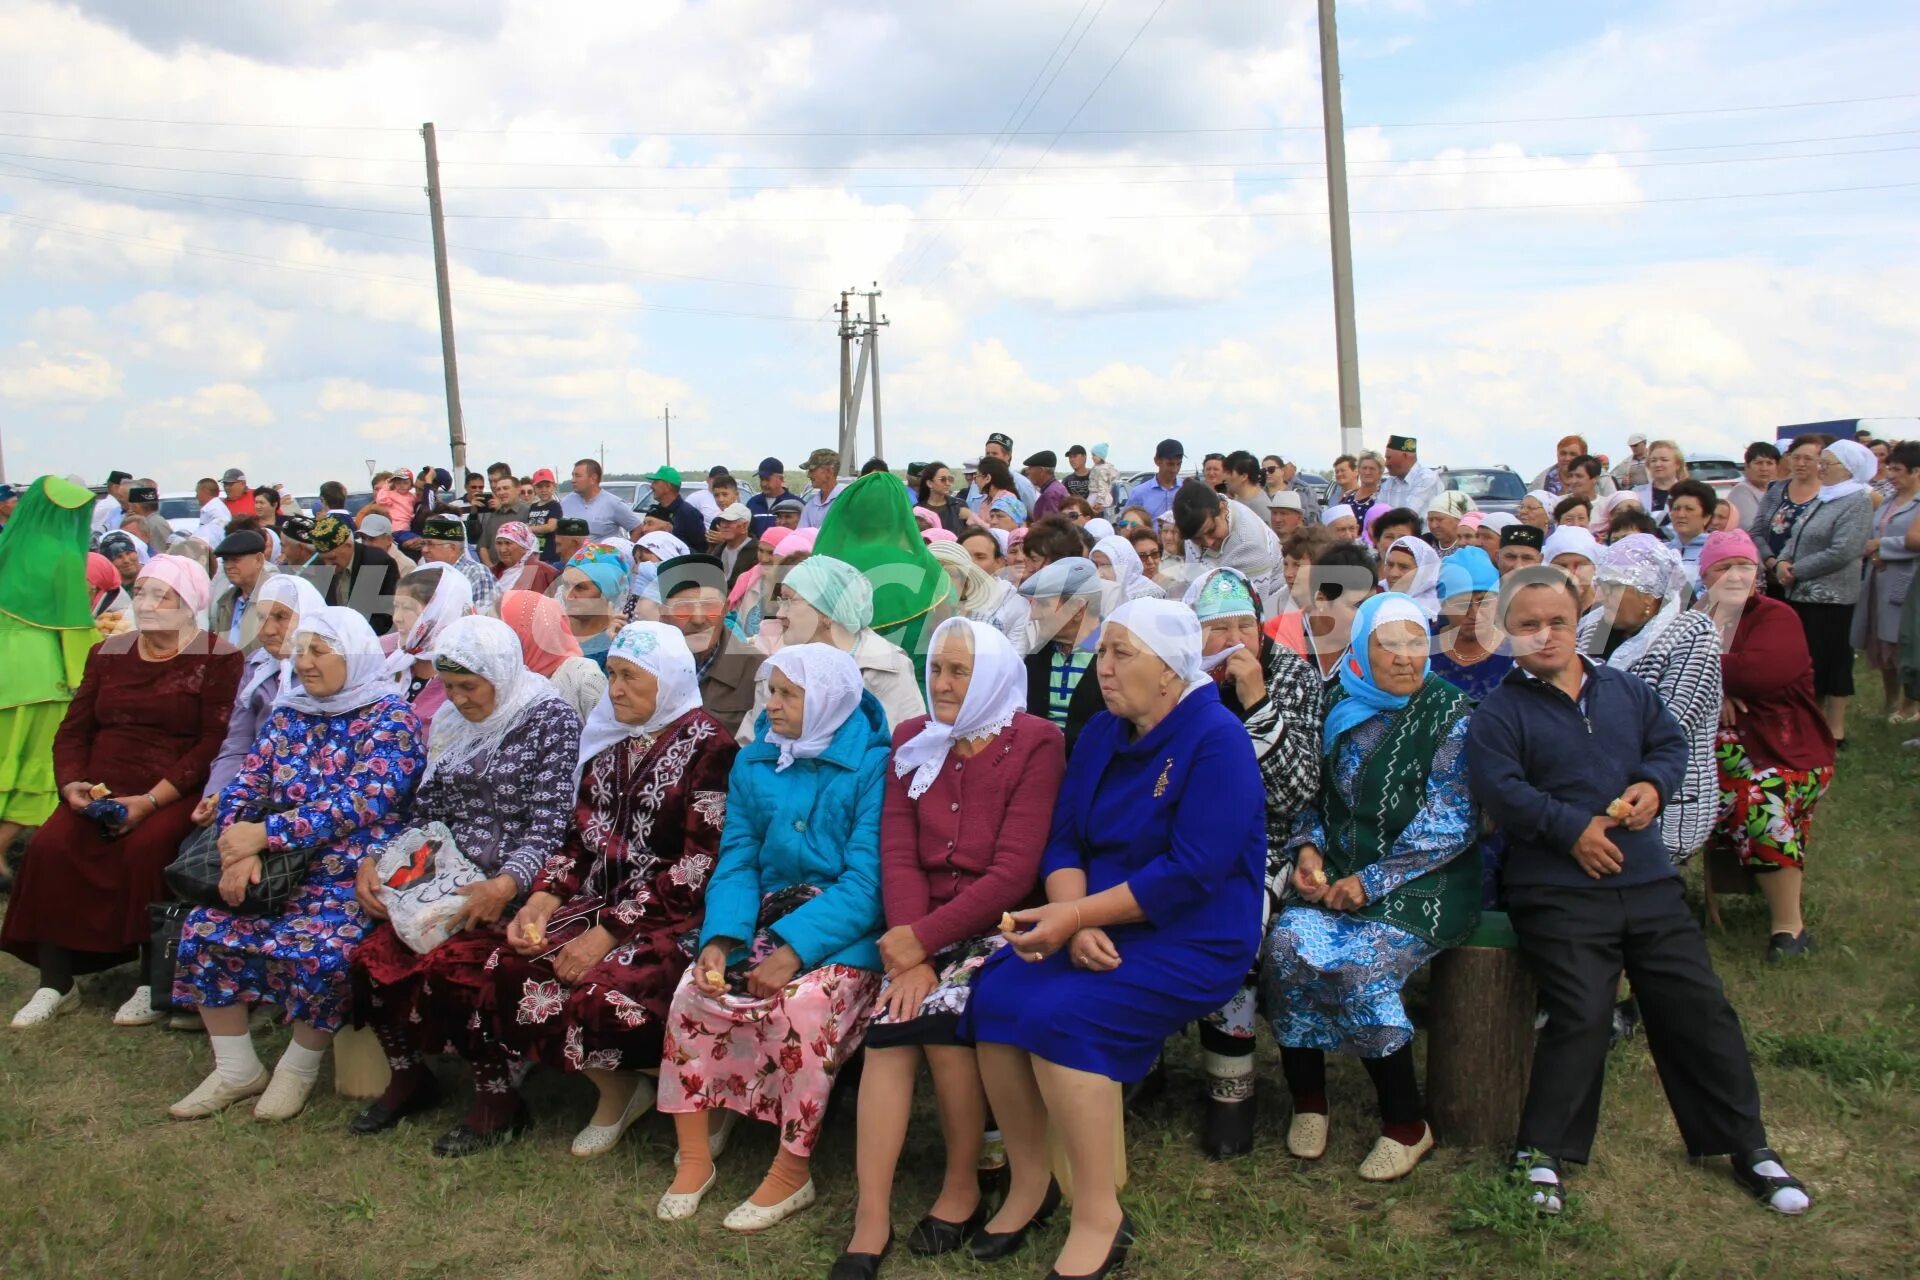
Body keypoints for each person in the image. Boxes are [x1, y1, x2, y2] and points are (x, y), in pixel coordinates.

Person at [1468, 567, 1811, 1219]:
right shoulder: (1500, 711)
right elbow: (1499, 787)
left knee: (1699, 1006)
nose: (1545, 636)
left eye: (1558, 622)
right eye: (1528, 625)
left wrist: (1653, 786)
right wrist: (1570, 830)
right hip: (1558, 889)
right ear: (1506, 633)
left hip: (1647, 879)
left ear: (1579, 622)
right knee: (1582, 1011)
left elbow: (1670, 744)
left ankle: (1744, 1143)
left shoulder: (1625, 691)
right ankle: (1540, 1151)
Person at [963, 599, 1265, 1279]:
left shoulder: (1217, 738)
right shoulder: (1103, 731)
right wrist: (1075, 915)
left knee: (1062, 1016)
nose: (1103, 667)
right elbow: (1065, 836)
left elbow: (1192, 872)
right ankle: (1031, 1182)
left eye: (1121, 654)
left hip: (1192, 935)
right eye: (1102, 652)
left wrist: (1076, 919)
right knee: (994, 996)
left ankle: (1100, 1212)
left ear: (1169, 670)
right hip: (1097, 919)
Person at [352, 619, 698, 1158]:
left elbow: (690, 865)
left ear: (669, 679)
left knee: (501, 970)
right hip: (548, 891)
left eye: (631, 677)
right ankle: (418, 1078)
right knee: (392, 955)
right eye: (613, 676)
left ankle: (538, 1095)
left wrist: (532, 896)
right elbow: (576, 837)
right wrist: (539, 900)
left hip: (656, 909)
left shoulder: (701, 749)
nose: (616, 690)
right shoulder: (609, 734)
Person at [831, 619, 1066, 1278]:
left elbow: (1014, 873)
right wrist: (911, 947)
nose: (943, 684)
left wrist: (923, 946)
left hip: (999, 922)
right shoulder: (913, 738)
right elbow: (898, 851)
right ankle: (871, 1216)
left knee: (937, 1022)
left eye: (960, 671)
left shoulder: (1035, 744)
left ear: (990, 674)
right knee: (893, 1025)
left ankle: (962, 1185)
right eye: (937, 669)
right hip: (920, 925)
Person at [655, 644, 890, 1230]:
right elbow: (737, 859)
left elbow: (868, 882)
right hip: (760, 916)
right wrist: (721, 937)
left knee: (805, 1006)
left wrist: (793, 951)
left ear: (829, 700)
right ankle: (694, 1157)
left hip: (842, 930)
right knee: (694, 990)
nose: (772, 705)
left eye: (789, 693)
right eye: (771, 691)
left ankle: (792, 1172)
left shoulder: (872, 765)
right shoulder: (757, 760)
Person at [166, 606, 424, 1120]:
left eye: (319, 650)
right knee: (203, 927)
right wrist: (235, 850)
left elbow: (363, 800)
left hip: (348, 866)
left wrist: (267, 834)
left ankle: (297, 1069)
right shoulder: (291, 712)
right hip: (267, 864)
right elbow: (247, 781)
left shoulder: (392, 719)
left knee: (325, 951)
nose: (304, 662)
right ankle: (237, 1067)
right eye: (301, 650)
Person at [1262, 592, 1477, 1180]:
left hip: (1424, 880)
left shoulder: (1452, 714)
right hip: (1338, 873)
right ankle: (1309, 1101)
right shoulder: (1341, 701)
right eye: (1390, 644)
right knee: (1285, 947)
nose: (1407, 658)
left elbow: (1451, 823)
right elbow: (1314, 796)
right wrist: (1307, 849)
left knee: (1359, 962)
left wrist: (1369, 882)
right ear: (1362, 649)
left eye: (1416, 642)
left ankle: (1407, 1124)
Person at [4, 555, 242, 1027]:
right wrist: (72, 784)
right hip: (100, 784)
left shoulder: (220, 657)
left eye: (162, 595)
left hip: (171, 787)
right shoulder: (108, 652)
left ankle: (152, 980)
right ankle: (57, 983)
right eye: (143, 592)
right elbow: (73, 730)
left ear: (190, 604)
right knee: (49, 848)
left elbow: (212, 742)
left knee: (148, 850)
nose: (147, 603)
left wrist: (152, 800)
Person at [1183, 569, 1323, 1159]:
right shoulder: (1178, 678)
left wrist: (1256, 699)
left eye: (1246, 624)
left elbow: (1294, 790)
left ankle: (1230, 1090)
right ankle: (1129, 1065)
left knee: (1231, 931)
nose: (1235, 637)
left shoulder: (1291, 675)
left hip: (1264, 842)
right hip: (1181, 835)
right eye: (1218, 627)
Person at [1693, 531, 1835, 961]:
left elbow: (1762, 673)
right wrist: (1719, 690)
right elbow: (1664, 668)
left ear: (1758, 574)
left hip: (1785, 750)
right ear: (1706, 575)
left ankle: (1789, 926)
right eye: (1723, 567)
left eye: (1744, 566)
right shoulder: (1696, 618)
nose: (1734, 575)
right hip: (1711, 753)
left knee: (1759, 800)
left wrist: (1709, 676)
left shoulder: (1777, 617)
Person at [1579, 535, 1721, 863]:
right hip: (1587, 774)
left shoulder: (1692, 633)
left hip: (1662, 788)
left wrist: (1584, 731)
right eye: (1604, 585)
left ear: (1648, 596)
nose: (1605, 596)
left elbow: (1672, 722)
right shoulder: (1592, 628)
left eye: (1616, 588)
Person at [0, 477, 107, 887]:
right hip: (40, 675)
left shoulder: (11, 545)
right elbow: (73, 624)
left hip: (6, 670)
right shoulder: (64, 555)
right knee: (42, 768)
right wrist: (93, 668)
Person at [190, 575, 330, 854]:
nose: (267, 630)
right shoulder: (257, 669)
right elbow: (238, 744)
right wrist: (218, 792)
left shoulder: (328, 673)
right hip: (250, 793)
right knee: (196, 852)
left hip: (307, 804)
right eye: (261, 617)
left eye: (281, 617)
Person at [1762, 438, 1875, 746]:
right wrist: (1782, 562)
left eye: (1827, 464)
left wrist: (1796, 570)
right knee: (1807, 660)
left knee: (1832, 660)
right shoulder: (1824, 497)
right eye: (1820, 462)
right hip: (1800, 592)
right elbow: (1796, 536)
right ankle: (1808, 722)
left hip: (1831, 596)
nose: (1820, 468)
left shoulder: (1857, 500)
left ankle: (1835, 730)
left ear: (1849, 469)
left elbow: (1843, 550)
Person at [741, 555, 926, 741]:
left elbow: (905, 749)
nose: (780, 614)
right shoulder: (779, 667)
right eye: (781, 601)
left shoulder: (884, 667)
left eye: (790, 600)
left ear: (828, 612)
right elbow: (751, 741)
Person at [814, 472, 954, 658]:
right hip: (911, 679)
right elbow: (944, 633)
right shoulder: (926, 568)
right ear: (902, 511)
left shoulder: (826, 567)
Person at [656, 555, 762, 737]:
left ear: (726, 608)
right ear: (663, 614)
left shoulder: (757, 670)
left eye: (709, 607)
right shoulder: (643, 665)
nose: (698, 619)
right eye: (684, 608)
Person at [1853, 440, 1920, 720]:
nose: (1891, 474)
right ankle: (1891, 700)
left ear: (1917, 471)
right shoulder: (1890, 500)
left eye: (1898, 469)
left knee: (1904, 643)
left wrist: (1882, 545)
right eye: (1889, 468)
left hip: (1908, 581)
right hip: (1879, 580)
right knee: (1882, 642)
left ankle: (1910, 705)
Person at [1018, 557, 1109, 750]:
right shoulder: (1035, 656)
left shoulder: (1115, 655)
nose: (1033, 614)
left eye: (1042, 604)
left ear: (1077, 608)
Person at [1175, 480, 1282, 607]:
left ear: (1222, 508)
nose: (1208, 543)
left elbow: (1249, 610)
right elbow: (1192, 584)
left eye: (1211, 530)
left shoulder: (1249, 543)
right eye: (1197, 539)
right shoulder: (1196, 521)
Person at [1430, 548, 1515, 700]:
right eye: (1462, 604)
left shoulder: (1515, 655)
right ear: (1444, 604)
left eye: (1484, 601)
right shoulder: (1424, 651)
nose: (1475, 614)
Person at [1305, 544, 1380, 688]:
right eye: (1357, 605)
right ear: (1321, 600)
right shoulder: (1278, 638)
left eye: (1371, 604)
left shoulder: (1373, 649)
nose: (1366, 615)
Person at [928, 538, 1028, 646]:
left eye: (951, 575)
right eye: (931, 574)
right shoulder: (909, 618)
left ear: (965, 585)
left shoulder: (984, 628)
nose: (940, 583)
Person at [310, 515, 400, 635]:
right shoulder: (318, 566)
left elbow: (385, 615)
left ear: (348, 545)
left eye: (332, 558)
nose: (328, 565)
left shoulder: (378, 563)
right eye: (324, 560)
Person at [556, 543, 631, 671]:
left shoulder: (618, 644)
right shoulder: (553, 628)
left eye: (580, 588)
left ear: (608, 593)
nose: (568, 596)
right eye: (566, 585)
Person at [209, 528, 276, 653]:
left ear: (258, 560)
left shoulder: (277, 598)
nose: (228, 566)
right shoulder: (226, 600)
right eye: (225, 561)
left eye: (235, 560)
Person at [561, 458, 642, 540]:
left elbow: (637, 528)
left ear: (593, 478)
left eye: (578, 476)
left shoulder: (614, 504)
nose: (573, 480)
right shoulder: (565, 502)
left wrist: (629, 550)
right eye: (573, 475)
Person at [1666, 480, 1718, 585]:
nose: (1681, 514)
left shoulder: (1716, 551)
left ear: (1706, 517)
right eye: (1676, 508)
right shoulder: (1661, 550)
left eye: (1689, 509)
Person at [1377, 434, 1442, 517]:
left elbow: (1408, 515)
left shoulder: (1426, 478)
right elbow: (1377, 514)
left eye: (1389, 458)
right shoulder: (1389, 482)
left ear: (1405, 456)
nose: (1386, 463)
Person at [1381, 534, 1441, 618]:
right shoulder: (1375, 594)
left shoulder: (1438, 611)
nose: (1393, 574)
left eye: (1404, 567)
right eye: (1390, 565)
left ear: (1423, 573)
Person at [1090, 533, 1164, 602]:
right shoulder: (1095, 593)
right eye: (1095, 565)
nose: (1099, 573)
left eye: (1104, 565)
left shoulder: (1148, 596)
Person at [491, 520, 557, 596]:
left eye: (508, 543)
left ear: (524, 546)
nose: (502, 550)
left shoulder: (544, 572)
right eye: (499, 543)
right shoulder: (490, 573)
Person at [1725, 442, 1780, 530]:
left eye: (1769, 463)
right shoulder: (1741, 491)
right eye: (1758, 463)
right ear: (1747, 466)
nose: (1764, 468)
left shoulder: (1777, 490)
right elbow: (1751, 528)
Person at [1634, 441, 1689, 527]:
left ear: (1677, 464)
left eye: (1664, 460)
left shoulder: (1689, 494)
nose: (1658, 464)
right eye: (1653, 460)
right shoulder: (1635, 494)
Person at [1130, 439, 1185, 521]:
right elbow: (1126, 523)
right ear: (1157, 461)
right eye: (1170, 464)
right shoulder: (1139, 493)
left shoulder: (1186, 490)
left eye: (1179, 464)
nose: (1175, 469)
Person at [912, 460, 969, 537]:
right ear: (929, 483)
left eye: (950, 479)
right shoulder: (917, 510)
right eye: (943, 479)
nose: (948, 483)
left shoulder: (959, 505)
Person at [800, 447, 848, 529]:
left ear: (829, 471)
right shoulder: (810, 506)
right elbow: (802, 535)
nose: (808, 475)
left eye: (812, 470)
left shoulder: (847, 499)